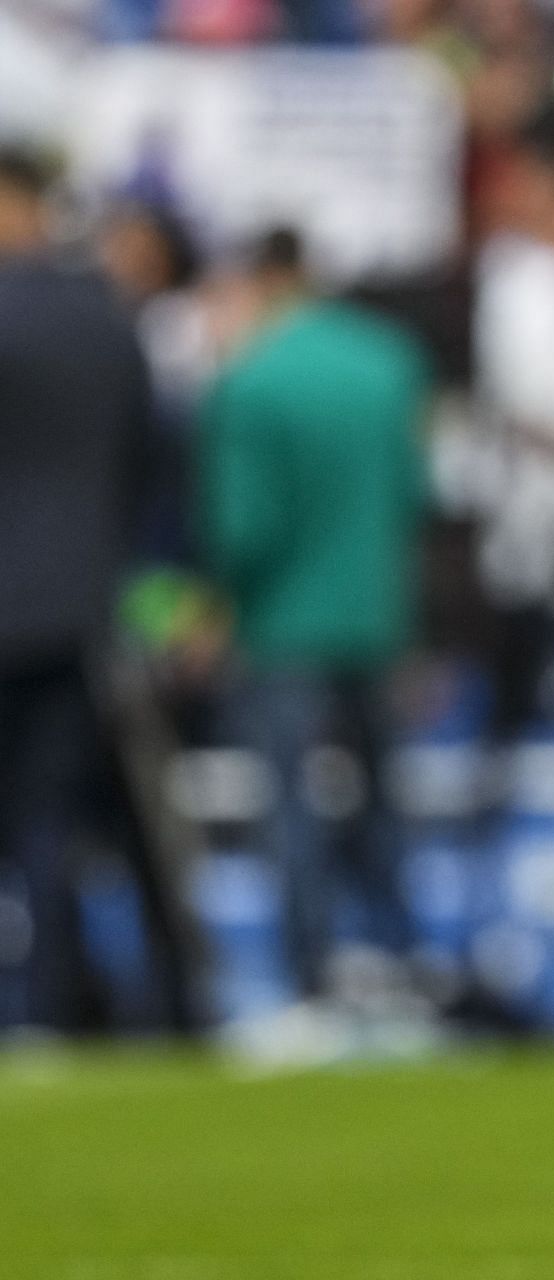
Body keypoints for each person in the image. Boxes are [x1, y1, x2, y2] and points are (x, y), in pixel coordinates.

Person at [198, 227, 432, 1007]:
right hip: (375, 613)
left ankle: (312, 970)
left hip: (283, 624)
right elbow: (415, 495)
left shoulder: (252, 379)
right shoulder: (389, 363)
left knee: (292, 803)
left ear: (260, 279)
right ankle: (402, 956)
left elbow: (243, 530)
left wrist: (218, 603)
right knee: (382, 796)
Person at [0, 148, 155, 1032]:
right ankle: (54, 1004)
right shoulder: (102, 315)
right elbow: (150, 464)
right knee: (51, 820)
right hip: (76, 607)